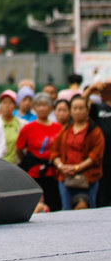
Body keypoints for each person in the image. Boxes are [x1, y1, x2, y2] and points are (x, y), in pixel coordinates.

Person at [51, 95, 104, 210]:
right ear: (70, 111)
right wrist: (61, 166)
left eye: (81, 108)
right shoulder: (65, 131)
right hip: (66, 177)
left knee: (89, 210)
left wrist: (76, 168)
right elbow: (55, 153)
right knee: (66, 211)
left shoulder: (95, 131)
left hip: (89, 177)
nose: (78, 111)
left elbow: (95, 156)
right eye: (75, 108)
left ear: (87, 110)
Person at [16, 92, 61, 212]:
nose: (42, 108)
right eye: (39, 105)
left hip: (53, 172)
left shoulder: (58, 128)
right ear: (34, 108)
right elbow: (19, 149)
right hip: (33, 173)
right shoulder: (28, 128)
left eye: (45, 105)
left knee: (54, 205)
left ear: (51, 107)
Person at [84, 79, 111, 207]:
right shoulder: (99, 108)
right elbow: (79, 104)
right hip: (103, 162)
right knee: (103, 200)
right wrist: (90, 89)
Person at [0, 90, 24, 163]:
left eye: (10, 103)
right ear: (0, 105)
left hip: (16, 165)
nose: (7, 106)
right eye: (4, 102)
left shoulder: (22, 124)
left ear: (15, 106)